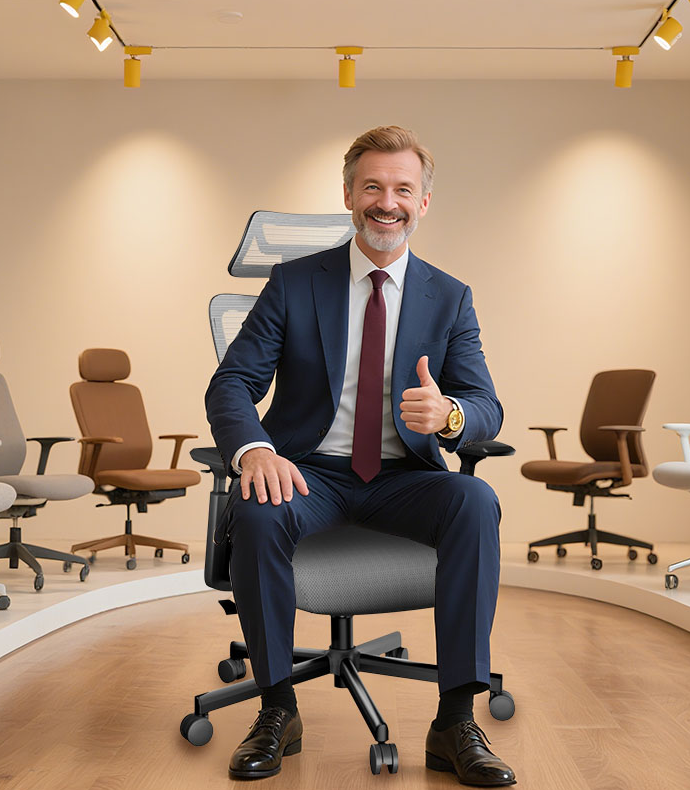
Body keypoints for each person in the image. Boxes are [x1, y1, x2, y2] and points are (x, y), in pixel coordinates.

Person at [205, 125, 515, 786]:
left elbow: (485, 404)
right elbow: (232, 383)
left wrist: (451, 414)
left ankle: (455, 721)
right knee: (257, 509)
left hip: (405, 478)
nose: (387, 202)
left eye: (403, 189)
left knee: (475, 499)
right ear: (349, 195)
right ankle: (277, 709)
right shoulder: (294, 284)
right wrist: (254, 451)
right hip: (309, 472)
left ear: (423, 202)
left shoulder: (449, 296)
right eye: (372, 186)